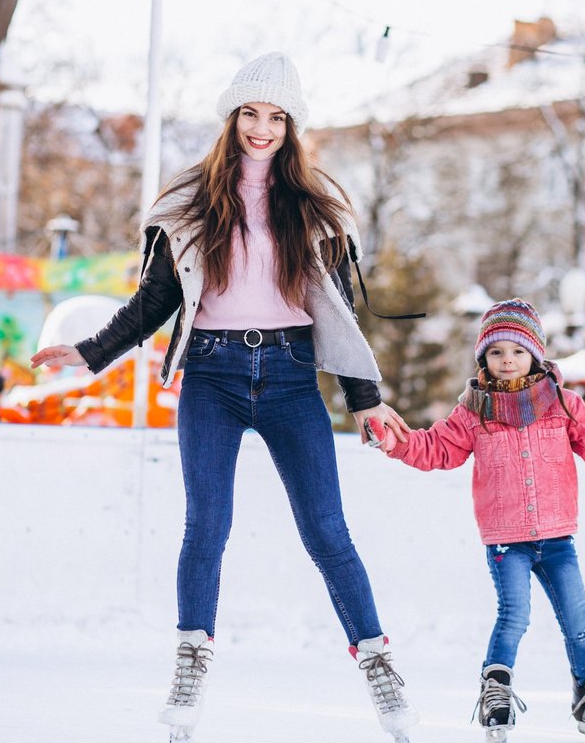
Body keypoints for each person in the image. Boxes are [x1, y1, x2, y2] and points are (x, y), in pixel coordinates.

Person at [30, 51, 418, 743]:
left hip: (294, 377)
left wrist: (366, 397)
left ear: (291, 125)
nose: (261, 128)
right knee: (206, 525)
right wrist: (91, 352)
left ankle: (378, 662)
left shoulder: (316, 206)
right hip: (211, 376)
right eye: (250, 113)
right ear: (232, 117)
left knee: (326, 531)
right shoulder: (191, 200)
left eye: (275, 116)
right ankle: (191, 661)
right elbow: (155, 300)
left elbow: (334, 311)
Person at [369, 299, 585, 743]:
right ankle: (496, 690)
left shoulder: (563, 405)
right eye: (496, 352)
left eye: (517, 350)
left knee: (578, 619)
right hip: (505, 539)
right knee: (514, 616)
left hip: (557, 537)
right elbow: (435, 448)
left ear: (535, 352)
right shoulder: (474, 411)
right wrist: (394, 443)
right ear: (484, 359)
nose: (507, 359)